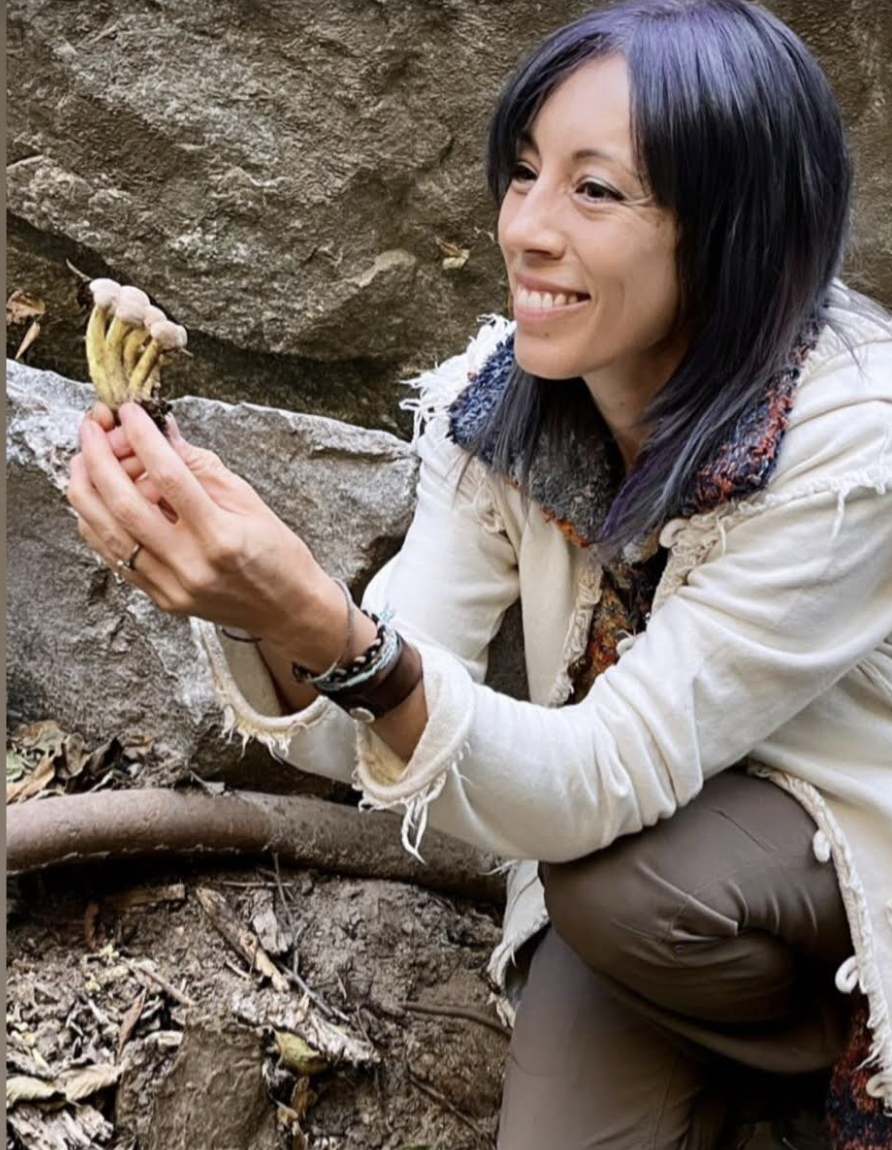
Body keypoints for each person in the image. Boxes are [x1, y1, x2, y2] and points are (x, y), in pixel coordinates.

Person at [67, 1, 892, 1146]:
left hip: (822, 848)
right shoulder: (502, 403)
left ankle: (833, 1040)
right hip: (621, 882)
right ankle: (743, 1045)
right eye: (521, 172)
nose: (528, 230)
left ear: (734, 228)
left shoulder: (852, 443)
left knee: (613, 885)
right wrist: (261, 599)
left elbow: (600, 773)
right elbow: (368, 729)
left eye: (594, 190)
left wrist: (338, 633)